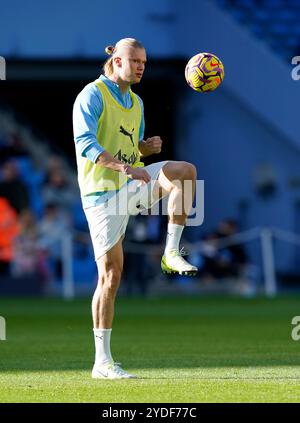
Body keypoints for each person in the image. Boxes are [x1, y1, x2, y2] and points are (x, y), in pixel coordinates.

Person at [72, 38, 197, 379]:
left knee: (185, 173)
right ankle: (102, 362)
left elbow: (133, 150)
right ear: (115, 61)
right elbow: (87, 144)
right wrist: (127, 168)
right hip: (101, 195)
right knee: (111, 276)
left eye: (144, 61)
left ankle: (171, 252)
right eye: (134, 60)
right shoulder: (92, 95)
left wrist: (146, 147)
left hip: (129, 185)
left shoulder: (137, 102)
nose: (141, 66)